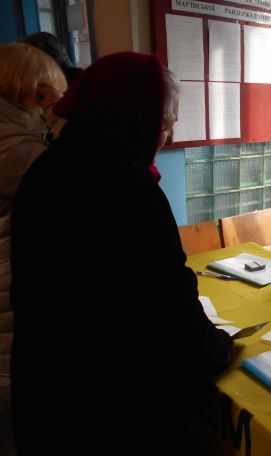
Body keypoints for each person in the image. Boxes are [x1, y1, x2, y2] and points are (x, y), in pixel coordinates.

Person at [10, 52, 234, 455]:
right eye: (165, 125)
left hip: (48, 397)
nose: (168, 138)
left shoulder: (46, 167)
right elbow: (176, 320)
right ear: (136, 116)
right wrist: (223, 346)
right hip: (118, 415)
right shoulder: (129, 189)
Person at [0, 41, 67, 456]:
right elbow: (72, 183)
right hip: (9, 333)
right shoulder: (17, 148)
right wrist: (59, 118)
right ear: (35, 92)